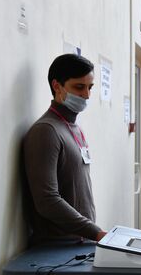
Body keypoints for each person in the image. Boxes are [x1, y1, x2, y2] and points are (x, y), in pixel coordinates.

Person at [23, 53, 107, 246]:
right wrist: (96, 233)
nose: (86, 95)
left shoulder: (74, 127)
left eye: (90, 87)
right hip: (57, 248)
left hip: (79, 243)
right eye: (79, 87)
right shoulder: (46, 131)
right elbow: (47, 200)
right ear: (57, 86)